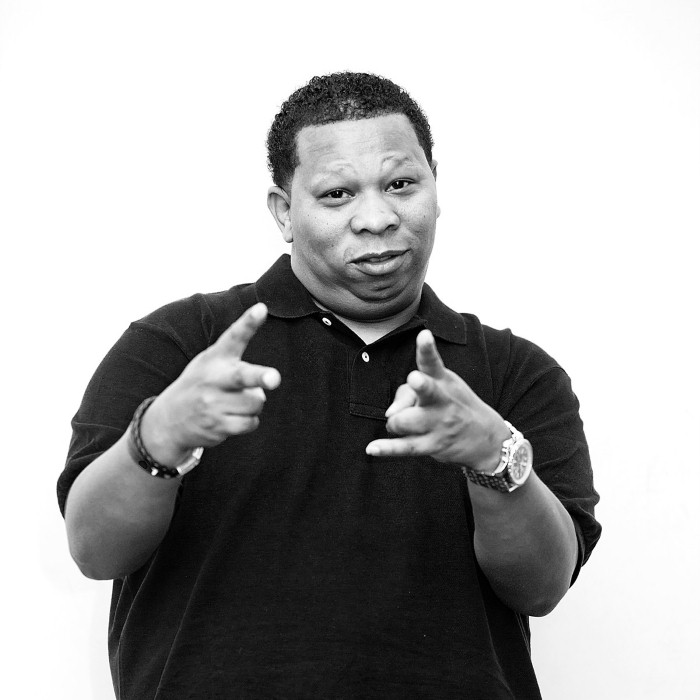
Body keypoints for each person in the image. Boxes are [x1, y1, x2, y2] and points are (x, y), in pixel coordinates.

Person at [58, 72, 601, 700]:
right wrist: (158, 437)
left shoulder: (515, 372)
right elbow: (95, 551)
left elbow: (541, 588)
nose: (376, 218)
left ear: (435, 187)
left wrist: (492, 456)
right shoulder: (181, 344)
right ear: (284, 211)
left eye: (400, 184)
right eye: (337, 193)